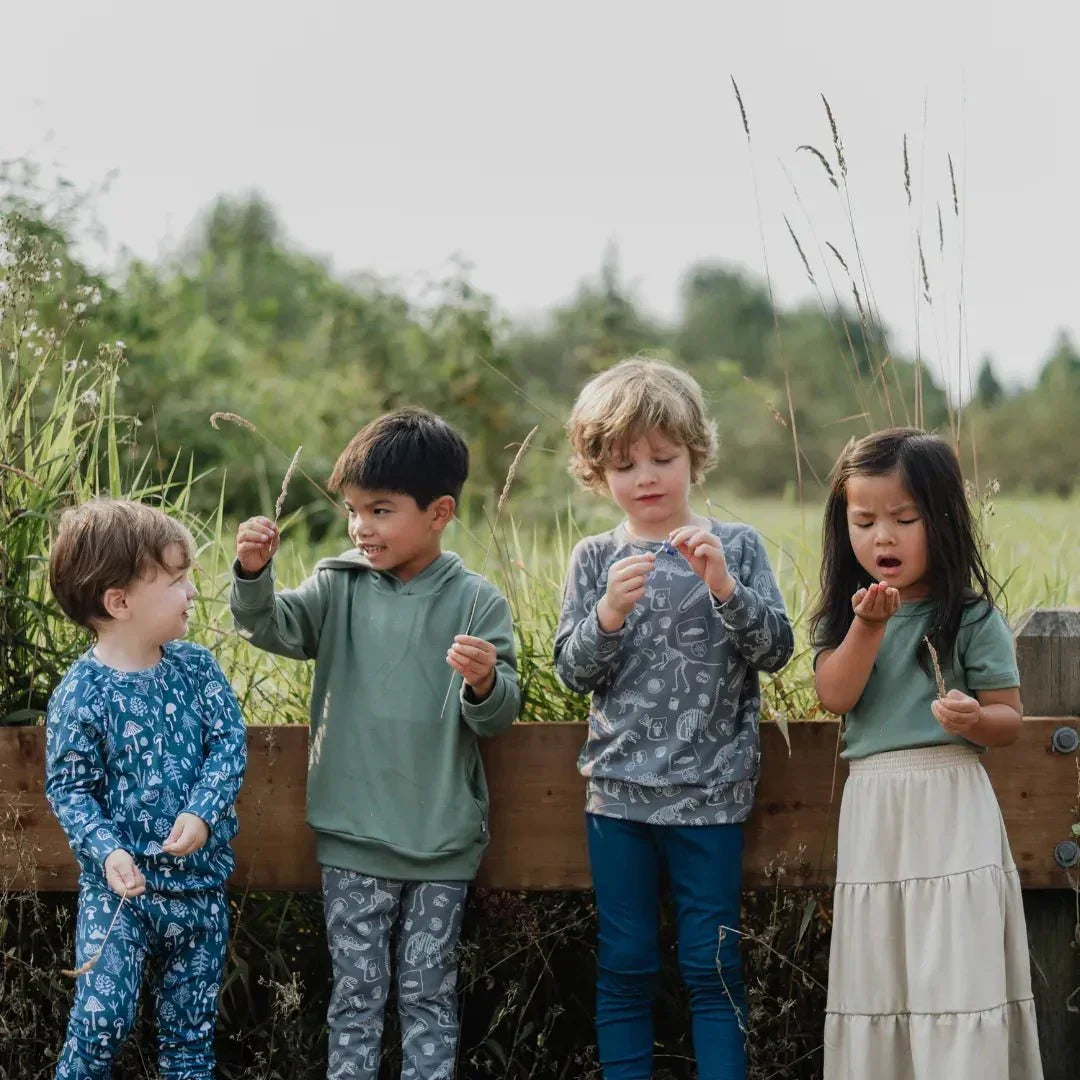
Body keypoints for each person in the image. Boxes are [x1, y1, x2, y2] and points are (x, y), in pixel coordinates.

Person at [231, 407, 521, 1080]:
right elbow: (273, 627)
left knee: (427, 995)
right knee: (356, 997)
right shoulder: (338, 585)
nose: (361, 526)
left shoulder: (479, 602)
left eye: (381, 510)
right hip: (352, 833)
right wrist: (252, 573)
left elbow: (500, 714)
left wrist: (483, 683)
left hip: (442, 840)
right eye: (354, 510)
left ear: (440, 511)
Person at [554, 358, 794, 1080]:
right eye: (625, 465)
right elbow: (573, 670)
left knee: (711, 965)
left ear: (696, 454)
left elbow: (776, 650)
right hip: (618, 797)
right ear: (599, 475)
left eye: (663, 458)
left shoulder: (739, 546)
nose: (646, 477)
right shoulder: (595, 557)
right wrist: (608, 614)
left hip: (710, 798)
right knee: (624, 964)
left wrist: (724, 585)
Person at [811, 427, 1043, 1079]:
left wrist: (974, 718)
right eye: (863, 521)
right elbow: (836, 694)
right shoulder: (848, 615)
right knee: (882, 967)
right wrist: (868, 624)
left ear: (940, 520)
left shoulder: (969, 617)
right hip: (877, 809)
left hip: (950, 804)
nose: (882, 536)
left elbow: (1009, 719)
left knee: (954, 961)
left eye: (903, 518)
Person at [45, 499, 247, 1079]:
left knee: (189, 1038)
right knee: (100, 1023)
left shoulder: (196, 669)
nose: (191, 592)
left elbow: (228, 744)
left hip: (199, 891)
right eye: (177, 579)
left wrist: (204, 812)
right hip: (121, 899)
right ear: (119, 601)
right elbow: (71, 789)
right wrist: (107, 851)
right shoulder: (82, 694)